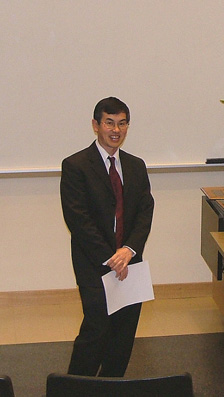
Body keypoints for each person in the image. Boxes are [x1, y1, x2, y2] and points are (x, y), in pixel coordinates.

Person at [60, 97, 154, 377]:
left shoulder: (136, 165)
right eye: (109, 123)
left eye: (122, 123)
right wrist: (112, 258)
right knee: (97, 328)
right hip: (94, 262)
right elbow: (78, 219)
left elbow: (145, 213)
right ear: (96, 125)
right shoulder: (76, 165)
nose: (116, 130)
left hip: (131, 261)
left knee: (124, 333)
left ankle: (112, 385)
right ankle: (76, 387)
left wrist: (129, 250)